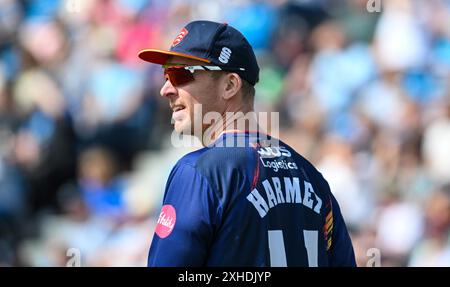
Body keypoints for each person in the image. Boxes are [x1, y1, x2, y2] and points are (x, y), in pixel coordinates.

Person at [138, 20, 356, 267]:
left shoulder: (199, 171)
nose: (165, 89)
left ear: (230, 85)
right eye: (166, 75)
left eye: (180, 74)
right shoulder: (312, 177)